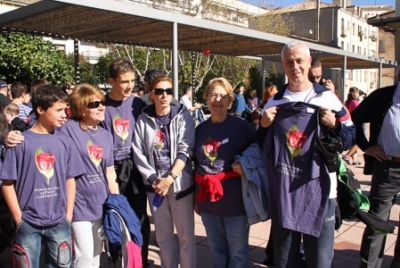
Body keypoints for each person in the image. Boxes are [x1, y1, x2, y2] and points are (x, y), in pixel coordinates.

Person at [260, 40, 354, 268]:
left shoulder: (328, 99)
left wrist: (335, 126)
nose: (295, 67)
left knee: (319, 261)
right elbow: (262, 145)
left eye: (300, 61)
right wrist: (263, 126)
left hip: (321, 192)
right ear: (283, 65)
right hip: (285, 193)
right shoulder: (275, 102)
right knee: (284, 260)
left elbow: (351, 135)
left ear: (309, 62)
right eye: (289, 62)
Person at [0, 85, 85, 268]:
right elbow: (7, 183)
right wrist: (18, 218)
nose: (65, 114)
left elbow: (70, 179)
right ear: (40, 110)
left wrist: (68, 215)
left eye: (66, 110)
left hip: (59, 221)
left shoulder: (65, 142)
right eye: (59, 110)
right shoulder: (21, 142)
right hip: (28, 223)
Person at [133, 75, 196, 268]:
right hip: (155, 187)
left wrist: (170, 178)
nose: (164, 95)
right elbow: (138, 152)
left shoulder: (183, 117)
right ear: (151, 93)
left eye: (168, 91)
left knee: (186, 238)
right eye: (159, 91)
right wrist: (153, 178)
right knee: (163, 236)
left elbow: (186, 149)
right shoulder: (143, 119)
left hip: (180, 186)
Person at [194, 77, 255, 268]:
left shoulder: (241, 126)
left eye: (223, 96)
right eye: (213, 95)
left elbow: (258, 150)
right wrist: (196, 198)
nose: (217, 100)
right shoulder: (200, 129)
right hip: (208, 203)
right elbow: (195, 164)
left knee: (238, 254)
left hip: (235, 203)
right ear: (206, 98)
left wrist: (244, 162)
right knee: (217, 251)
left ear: (230, 101)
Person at [59, 83, 119, 268]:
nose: (101, 107)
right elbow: (41, 134)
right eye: (94, 104)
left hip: (101, 204)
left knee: (95, 255)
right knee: (84, 257)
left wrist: (116, 203)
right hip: (79, 205)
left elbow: (110, 172)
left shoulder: (106, 135)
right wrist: (11, 136)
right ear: (81, 109)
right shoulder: (68, 129)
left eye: (101, 102)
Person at [100, 58, 150, 268]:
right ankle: (117, 259)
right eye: (124, 81)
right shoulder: (100, 105)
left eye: (132, 80)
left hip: (134, 168)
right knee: (114, 216)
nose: (130, 86)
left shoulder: (138, 103)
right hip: (110, 169)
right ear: (111, 81)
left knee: (139, 217)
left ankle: (140, 261)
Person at [352, 66, 400, 268]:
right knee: (376, 225)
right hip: (387, 167)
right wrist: (367, 147)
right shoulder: (383, 97)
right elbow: (351, 119)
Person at [342, 87, 362, 165]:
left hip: (350, 123)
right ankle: (347, 155)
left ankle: (354, 160)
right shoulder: (355, 102)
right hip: (357, 123)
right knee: (359, 142)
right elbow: (360, 113)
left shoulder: (347, 102)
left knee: (354, 142)